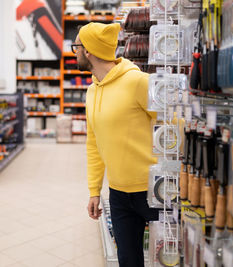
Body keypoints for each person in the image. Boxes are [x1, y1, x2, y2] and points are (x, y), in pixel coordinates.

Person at [72, 22, 158, 267]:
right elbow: (93, 144)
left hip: (153, 191)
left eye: (75, 47)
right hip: (119, 194)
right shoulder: (91, 92)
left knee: (168, 257)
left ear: (87, 50)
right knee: (128, 262)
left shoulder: (138, 82)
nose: (74, 52)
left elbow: (175, 125)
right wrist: (94, 191)